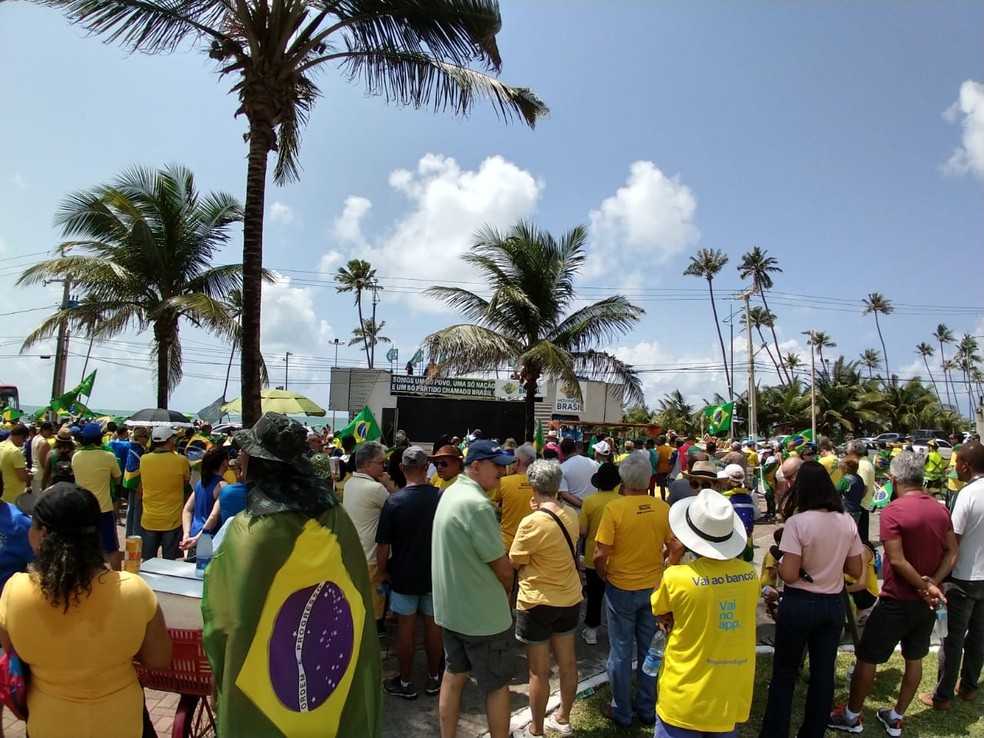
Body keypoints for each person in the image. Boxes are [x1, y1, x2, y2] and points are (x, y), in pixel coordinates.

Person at [202, 413, 382, 737]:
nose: (238, 459)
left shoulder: (249, 531)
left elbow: (224, 622)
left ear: (260, 463)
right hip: (332, 699)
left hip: (260, 702)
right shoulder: (337, 517)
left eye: (246, 453)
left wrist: (220, 676)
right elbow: (357, 602)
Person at [0, 483, 172, 738]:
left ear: (43, 534)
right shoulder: (134, 590)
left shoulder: (15, 591)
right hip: (123, 724)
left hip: (49, 725)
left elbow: (12, 649)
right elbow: (159, 659)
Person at [829, 452, 958, 737]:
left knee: (867, 658)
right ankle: (896, 716)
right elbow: (952, 551)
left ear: (894, 479)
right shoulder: (940, 510)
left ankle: (851, 716)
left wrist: (927, 586)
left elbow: (897, 561)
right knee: (915, 659)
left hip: (897, 600)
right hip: (926, 604)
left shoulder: (894, 510)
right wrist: (933, 584)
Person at [759, 461, 863, 738]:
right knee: (823, 673)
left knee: (784, 673)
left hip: (800, 603)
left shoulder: (798, 523)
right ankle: (813, 731)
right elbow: (855, 570)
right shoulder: (847, 521)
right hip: (832, 605)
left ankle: (774, 733)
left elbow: (790, 575)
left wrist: (780, 564)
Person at [651, 488, 759, 737]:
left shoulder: (677, 576)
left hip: (684, 695)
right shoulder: (750, 575)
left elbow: (659, 607)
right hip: (729, 694)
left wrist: (672, 560)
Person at [431, 439, 515, 738]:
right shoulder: (478, 505)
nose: (502, 473)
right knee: (496, 687)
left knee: (453, 677)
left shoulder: (451, 492)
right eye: (498, 466)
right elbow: (503, 568)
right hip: (483, 617)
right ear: (476, 467)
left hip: (453, 610)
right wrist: (507, 592)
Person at [594, 451, 674, 728]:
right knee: (651, 650)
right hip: (652, 588)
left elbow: (599, 552)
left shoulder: (615, 509)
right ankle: (647, 707)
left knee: (621, 650)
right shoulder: (662, 508)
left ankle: (622, 710)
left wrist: (605, 574)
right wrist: (666, 569)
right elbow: (675, 546)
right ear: (649, 478)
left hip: (621, 587)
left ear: (623, 479)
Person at [509, 460, 581, 738]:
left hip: (537, 601)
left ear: (533, 486)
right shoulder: (571, 515)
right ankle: (563, 719)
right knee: (568, 663)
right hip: (569, 598)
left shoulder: (531, 522)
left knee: (538, 672)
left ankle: (536, 729)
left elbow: (516, 560)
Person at [920, 440, 984, 710]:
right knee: (980, 636)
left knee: (953, 638)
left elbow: (952, 544)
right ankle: (969, 687)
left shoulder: (966, 495)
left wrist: (934, 578)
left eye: (956, 462)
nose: (954, 467)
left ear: (966, 466)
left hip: (962, 577)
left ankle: (942, 696)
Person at [375, 446, 442, 700]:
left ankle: (405, 682)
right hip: (434, 574)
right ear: (427, 468)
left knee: (406, 627)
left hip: (403, 574)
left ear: (402, 468)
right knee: (434, 626)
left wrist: (382, 573)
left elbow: (383, 546)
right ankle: (434, 677)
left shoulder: (394, 501)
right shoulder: (441, 496)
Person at [342, 440, 397, 635]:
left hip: (355, 550)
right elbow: (398, 507)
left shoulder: (350, 483)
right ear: (367, 465)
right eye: (381, 463)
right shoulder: (374, 489)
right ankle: (375, 631)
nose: (384, 466)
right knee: (376, 596)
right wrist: (389, 485)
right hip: (373, 554)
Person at [579, 461, 621, 645]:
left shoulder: (589, 501)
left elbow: (582, 531)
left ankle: (591, 632)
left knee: (594, 597)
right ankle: (617, 632)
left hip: (593, 554)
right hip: (616, 556)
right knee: (615, 598)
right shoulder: (621, 502)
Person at [72, 422, 123, 570]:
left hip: (83, 509)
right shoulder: (108, 456)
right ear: (100, 438)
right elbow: (118, 478)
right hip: (104, 509)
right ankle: (117, 578)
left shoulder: (76, 456)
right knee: (112, 548)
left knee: (83, 546)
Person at [138, 426, 191, 560]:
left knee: (148, 561)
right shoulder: (181, 461)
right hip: (172, 519)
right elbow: (186, 481)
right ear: (170, 440)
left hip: (149, 518)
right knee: (170, 562)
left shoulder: (144, 459)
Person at [179, 445, 229, 554]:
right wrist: (198, 538)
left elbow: (187, 509)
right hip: (209, 540)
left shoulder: (200, 483)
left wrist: (186, 534)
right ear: (224, 462)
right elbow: (214, 516)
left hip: (193, 536)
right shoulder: (223, 486)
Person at [491, 443, 537, 553]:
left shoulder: (504, 482)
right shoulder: (542, 484)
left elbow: (492, 503)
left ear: (517, 461)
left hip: (508, 543)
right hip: (534, 544)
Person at [122, 426, 149, 538]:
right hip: (137, 484)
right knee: (138, 511)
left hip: (130, 482)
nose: (147, 439)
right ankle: (136, 535)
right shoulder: (139, 450)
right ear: (139, 438)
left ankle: (129, 533)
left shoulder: (132, 446)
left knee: (131, 509)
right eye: (146, 437)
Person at [558, 437, 596, 510]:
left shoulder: (562, 468)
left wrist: (583, 505)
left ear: (562, 452)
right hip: (594, 509)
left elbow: (564, 494)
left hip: (574, 512)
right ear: (575, 448)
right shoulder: (594, 463)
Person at [0, 425, 32, 504]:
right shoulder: (15, 452)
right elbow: (23, 477)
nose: (22, 444)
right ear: (20, 436)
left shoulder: (1, 445)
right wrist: (30, 475)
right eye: (24, 440)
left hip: (2, 492)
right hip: (13, 495)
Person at [29, 421, 53, 495]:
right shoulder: (43, 442)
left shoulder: (35, 438)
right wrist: (48, 476)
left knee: (34, 497)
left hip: (34, 472)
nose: (51, 433)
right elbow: (44, 462)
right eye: (50, 431)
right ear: (45, 430)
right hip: (40, 474)